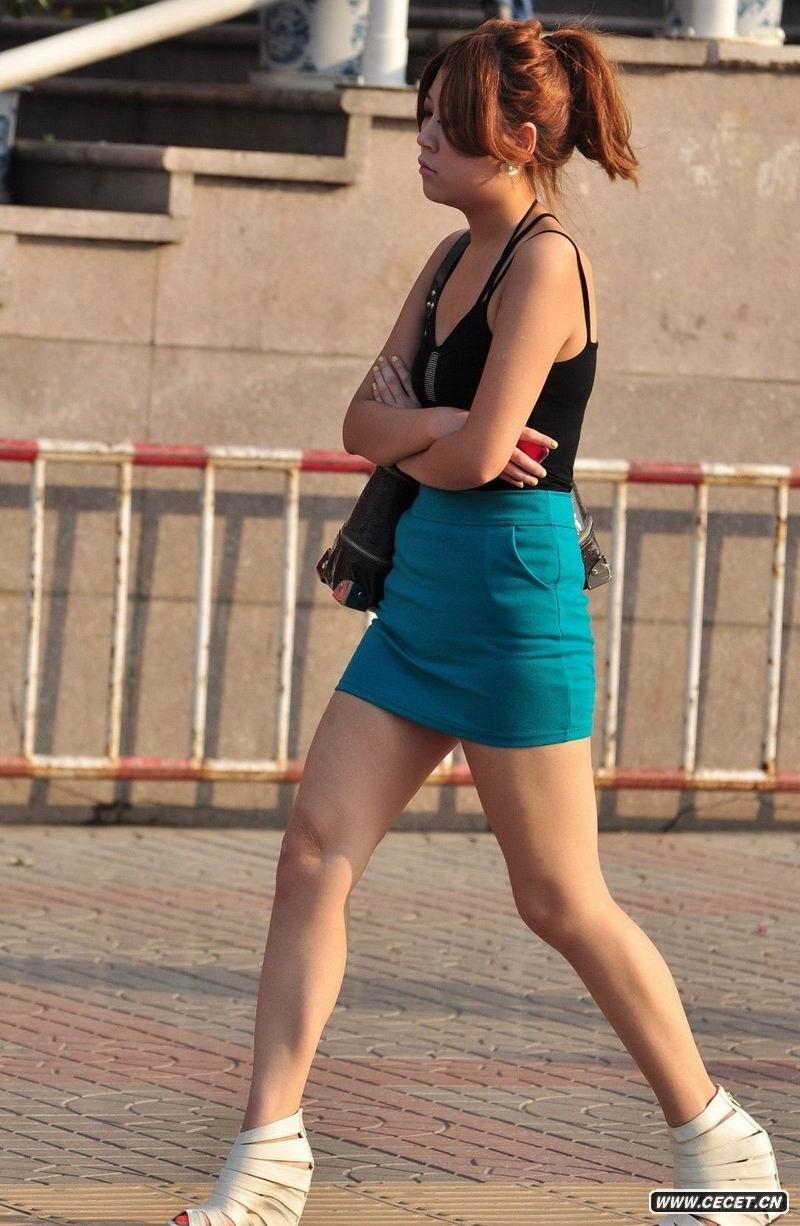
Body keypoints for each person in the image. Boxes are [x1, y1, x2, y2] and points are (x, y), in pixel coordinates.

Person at [166, 17, 783, 1226]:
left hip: (510, 596)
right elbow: (364, 423)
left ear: (518, 137)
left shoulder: (545, 264)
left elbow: (481, 451)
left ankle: (722, 1145)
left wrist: (437, 431)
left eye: (443, 124)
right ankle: (267, 1167)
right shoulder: (449, 257)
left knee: (556, 897)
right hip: (422, 596)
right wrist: (436, 430)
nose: (421, 140)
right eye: (420, 117)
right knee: (312, 852)